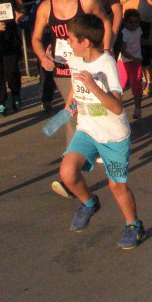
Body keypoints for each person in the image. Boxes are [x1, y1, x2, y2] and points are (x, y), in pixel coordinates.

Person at [60, 14, 145, 249]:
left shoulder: (107, 63)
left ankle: (133, 225)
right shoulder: (73, 58)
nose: (68, 43)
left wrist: (93, 87)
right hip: (87, 129)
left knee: (116, 186)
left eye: (71, 39)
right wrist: (71, 101)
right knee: (67, 173)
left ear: (85, 42)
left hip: (113, 135)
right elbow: (76, 86)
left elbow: (117, 106)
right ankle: (89, 203)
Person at [31, 0, 112, 153]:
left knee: (91, 108)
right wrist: (43, 56)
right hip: (62, 68)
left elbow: (106, 23)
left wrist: (106, 52)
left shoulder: (87, 2)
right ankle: (72, 156)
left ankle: (101, 145)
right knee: (71, 111)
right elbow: (35, 38)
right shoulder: (45, 7)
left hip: (87, 65)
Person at [117, 8, 145, 120]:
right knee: (120, 86)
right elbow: (123, 51)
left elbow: (139, 41)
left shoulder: (139, 30)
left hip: (136, 61)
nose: (134, 25)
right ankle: (117, 108)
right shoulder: (124, 33)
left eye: (136, 22)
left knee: (137, 85)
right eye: (131, 22)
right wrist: (134, 58)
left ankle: (138, 109)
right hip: (125, 62)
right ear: (125, 22)